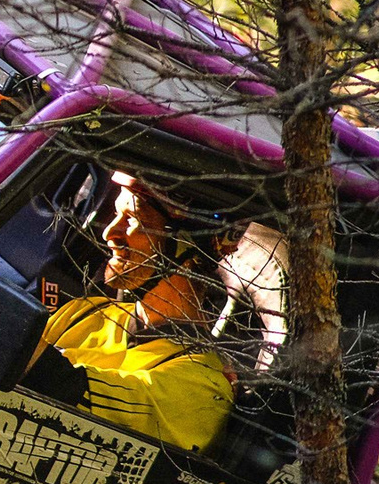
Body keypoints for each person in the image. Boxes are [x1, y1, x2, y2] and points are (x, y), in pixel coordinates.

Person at [21, 172, 240, 452]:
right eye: (115, 214)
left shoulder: (204, 386)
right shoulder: (84, 313)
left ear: (186, 247)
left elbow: (70, 393)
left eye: (132, 220)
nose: (109, 233)